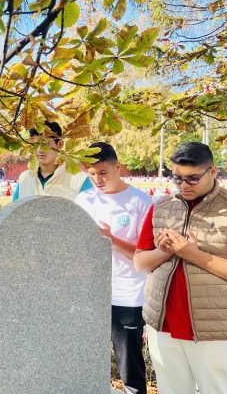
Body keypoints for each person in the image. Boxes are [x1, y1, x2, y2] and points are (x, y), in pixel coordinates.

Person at [134, 142, 227, 394]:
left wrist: (193, 254)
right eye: (177, 178)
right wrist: (163, 252)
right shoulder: (161, 208)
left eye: (192, 179)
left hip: (218, 328)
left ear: (213, 172)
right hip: (163, 325)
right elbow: (140, 262)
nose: (184, 185)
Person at [75, 142, 152, 394]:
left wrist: (112, 240)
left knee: (129, 365)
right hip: (89, 292)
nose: (97, 179)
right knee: (84, 359)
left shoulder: (140, 202)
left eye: (103, 172)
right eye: (92, 173)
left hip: (127, 293)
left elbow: (146, 255)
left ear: (118, 167)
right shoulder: (83, 200)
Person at [12, 121, 92, 201]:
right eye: (35, 144)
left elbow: (89, 212)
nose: (40, 150)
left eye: (46, 143)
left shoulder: (80, 180)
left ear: (60, 144)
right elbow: (14, 211)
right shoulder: (25, 178)